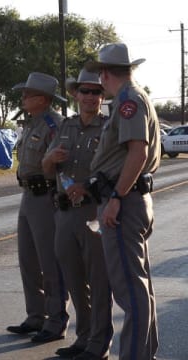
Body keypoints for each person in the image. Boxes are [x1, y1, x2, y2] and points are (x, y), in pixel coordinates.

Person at [85, 43, 160, 360]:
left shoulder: (128, 100)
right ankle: (143, 353)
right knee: (137, 286)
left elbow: (138, 152)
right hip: (129, 200)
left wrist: (116, 197)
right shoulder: (130, 98)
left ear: (104, 74)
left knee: (130, 290)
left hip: (124, 202)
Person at [42, 69, 113, 359]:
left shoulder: (109, 127)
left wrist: (88, 187)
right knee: (74, 279)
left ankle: (99, 344)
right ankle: (83, 338)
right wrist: (48, 159)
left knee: (98, 280)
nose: (90, 97)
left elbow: (113, 170)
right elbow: (48, 169)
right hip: (65, 213)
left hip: (94, 211)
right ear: (75, 94)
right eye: (85, 91)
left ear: (102, 96)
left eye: (96, 91)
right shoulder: (65, 126)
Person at [8, 72, 70, 343]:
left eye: (27, 94)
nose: (22, 98)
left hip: (46, 197)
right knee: (28, 261)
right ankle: (35, 316)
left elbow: (57, 166)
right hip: (28, 196)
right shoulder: (32, 123)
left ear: (42, 99)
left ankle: (56, 321)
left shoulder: (55, 125)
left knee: (49, 263)